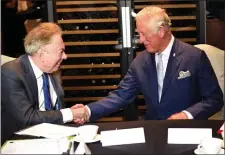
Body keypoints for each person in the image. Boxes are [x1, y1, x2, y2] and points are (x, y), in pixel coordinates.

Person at [74, 6, 223, 123]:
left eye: (144, 34)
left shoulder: (194, 57)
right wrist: (88, 110)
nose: (140, 40)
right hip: (152, 129)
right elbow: (120, 96)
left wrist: (187, 115)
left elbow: (214, 100)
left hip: (186, 131)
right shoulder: (141, 61)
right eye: (139, 34)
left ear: (162, 31)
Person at [1, 22, 89, 144]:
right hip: (19, 142)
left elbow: (55, 110)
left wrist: (71, 114)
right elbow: (26, 118)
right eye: (61, 51)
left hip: (53, 140)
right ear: (42, 54)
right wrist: (69, 114)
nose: (65, 56)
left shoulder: (54, 71)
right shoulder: (10, 72)